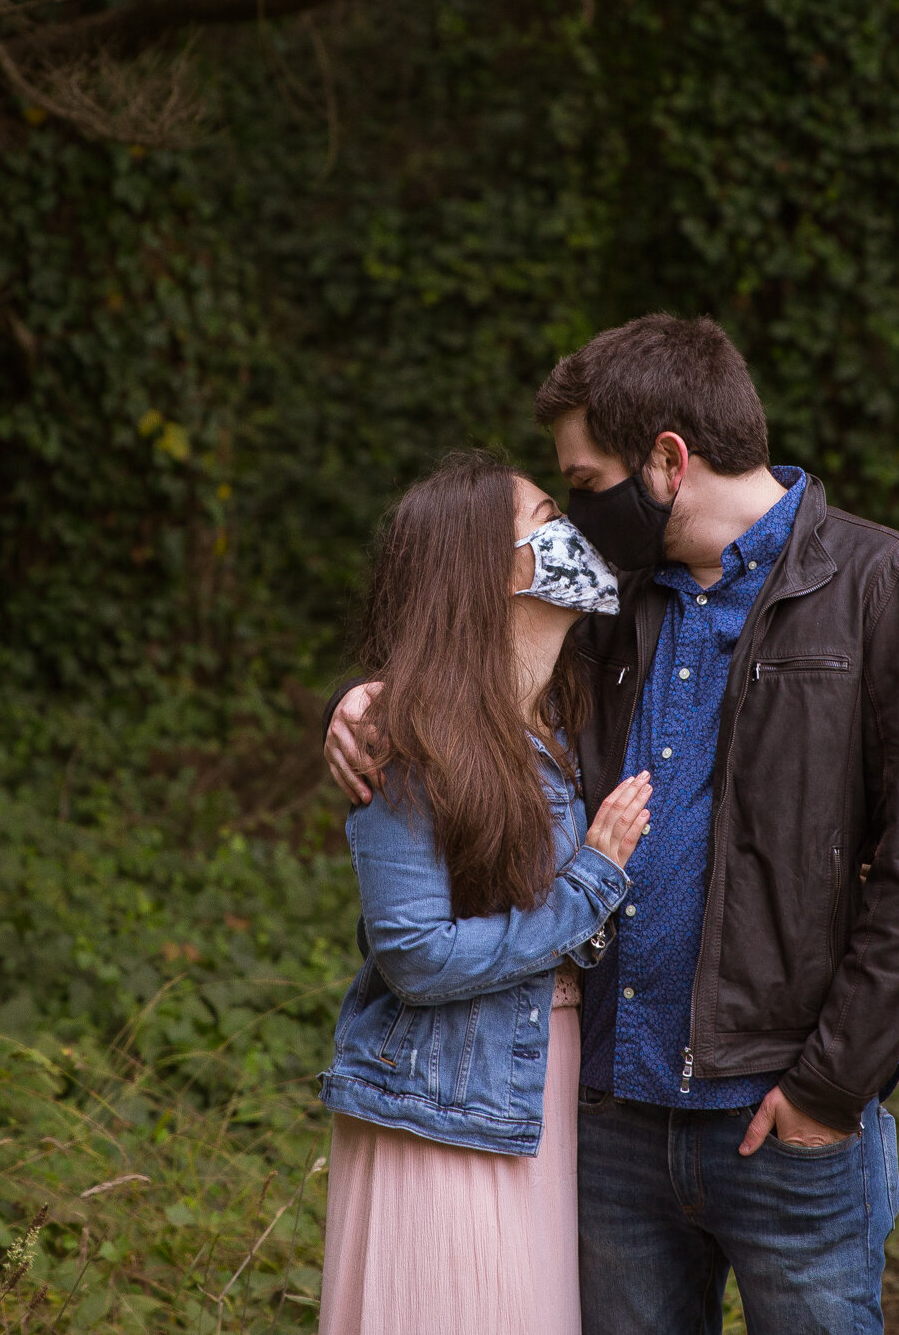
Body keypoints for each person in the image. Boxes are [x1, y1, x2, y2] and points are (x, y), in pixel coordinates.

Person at [326, 315, 899, 1335]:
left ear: (667, 461)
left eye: (585, 483)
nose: (579, 517)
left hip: (781, 1122)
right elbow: (475, 656)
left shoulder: (882, 585)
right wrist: (369, 703)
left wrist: (828, 1087)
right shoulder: (610, 603)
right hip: (609, 1128)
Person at [315, 451, 655, 1335]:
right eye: (546, 514)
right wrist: (590, 884)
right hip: (446, 1108)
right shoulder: (408, 738)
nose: (569, 534)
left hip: (537, 1090)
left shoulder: (558, 716)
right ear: (493, 571)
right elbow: (415, 956)